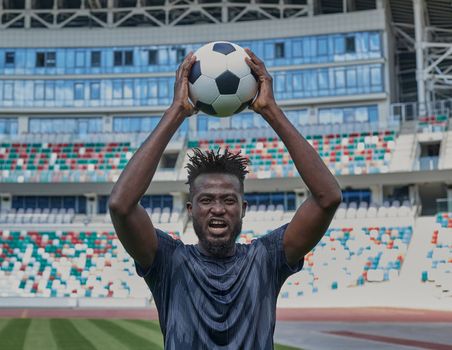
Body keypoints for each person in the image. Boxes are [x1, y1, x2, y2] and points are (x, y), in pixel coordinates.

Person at [108, 48, 342, 349]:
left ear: (243, 209)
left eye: (229, 200)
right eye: (206, 200)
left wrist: (271, 110)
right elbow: (121, 205)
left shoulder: (266, 259)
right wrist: (176, 112)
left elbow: (328, 198)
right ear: (191, 209)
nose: (218, 209)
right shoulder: (168, 262)